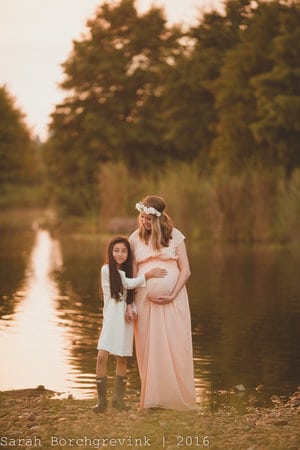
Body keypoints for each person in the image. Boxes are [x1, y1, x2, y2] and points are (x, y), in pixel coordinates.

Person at [129, 196, 196, 410]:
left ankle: (176, 399)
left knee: (177, 346)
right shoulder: (135, 238)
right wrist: (131, 303)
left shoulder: (175, 236)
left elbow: (186, 270)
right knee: (148, 347)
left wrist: (173, 293)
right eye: (142, 217)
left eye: (148, 218)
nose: (144, 222)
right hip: (145, 301)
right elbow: (131, 275)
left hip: (174, 301)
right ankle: (152, 400)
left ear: (158, 219)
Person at [94, 236, 167, 413]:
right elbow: (125, 284)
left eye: (124, 251)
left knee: (122, 358)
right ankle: (101, 400)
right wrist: (148, 275)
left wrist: (131, 307)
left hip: (124, 320)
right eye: (116, 250)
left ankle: (118, 399)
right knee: (102, 354)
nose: (120, 254)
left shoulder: (128, 272)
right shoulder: (106, 270)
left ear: (128, 254)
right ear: (111, 253)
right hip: (111, 319)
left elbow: (130, 292)